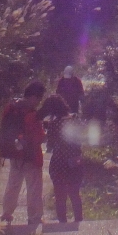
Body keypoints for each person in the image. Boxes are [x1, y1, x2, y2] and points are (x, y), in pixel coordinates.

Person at [0, 80, 46, 225]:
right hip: (31, 156)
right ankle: (34, 216)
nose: (38, 102)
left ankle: (7, 213)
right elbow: (39, 136)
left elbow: (4, 126)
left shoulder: (11, 107)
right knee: (33, 187)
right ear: (34, 97)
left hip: (13, 153)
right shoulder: (31, 114)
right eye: (39, 99)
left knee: (13, 184)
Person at [40, 94, 83, 224]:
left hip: (59, 162)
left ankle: (62, 223)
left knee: (60, 195)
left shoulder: (54, 124)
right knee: (75, 194)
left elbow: (50, 145)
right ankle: (78, 221)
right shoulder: (75, 119)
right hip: (75, 161)